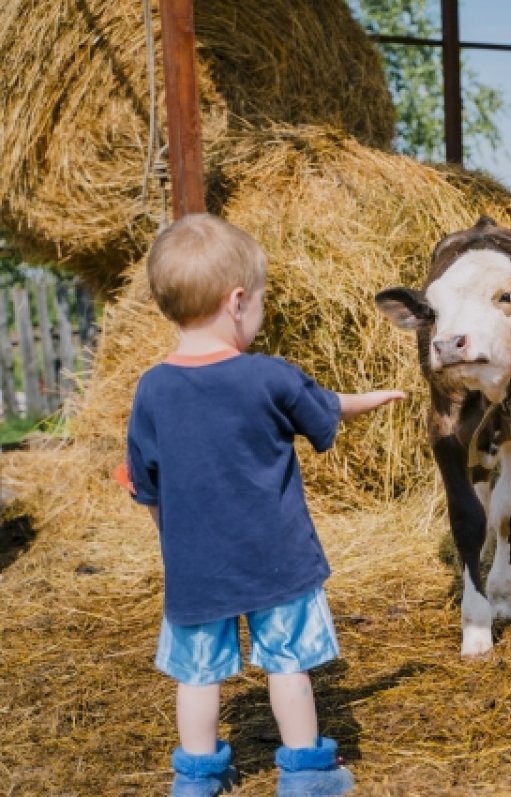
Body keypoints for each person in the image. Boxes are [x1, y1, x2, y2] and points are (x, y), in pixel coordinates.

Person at [115, 213, 406, 796]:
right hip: (278, 563)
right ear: (238, 302)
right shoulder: (269, 377)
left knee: (197, 678)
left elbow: (145, 485)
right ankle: (305, 774)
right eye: (263, 302)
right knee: (287, 664)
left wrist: (174, 544)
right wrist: (374, 398)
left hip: (195, 569)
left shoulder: (151, 389)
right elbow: (326, 406)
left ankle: (195, 782)